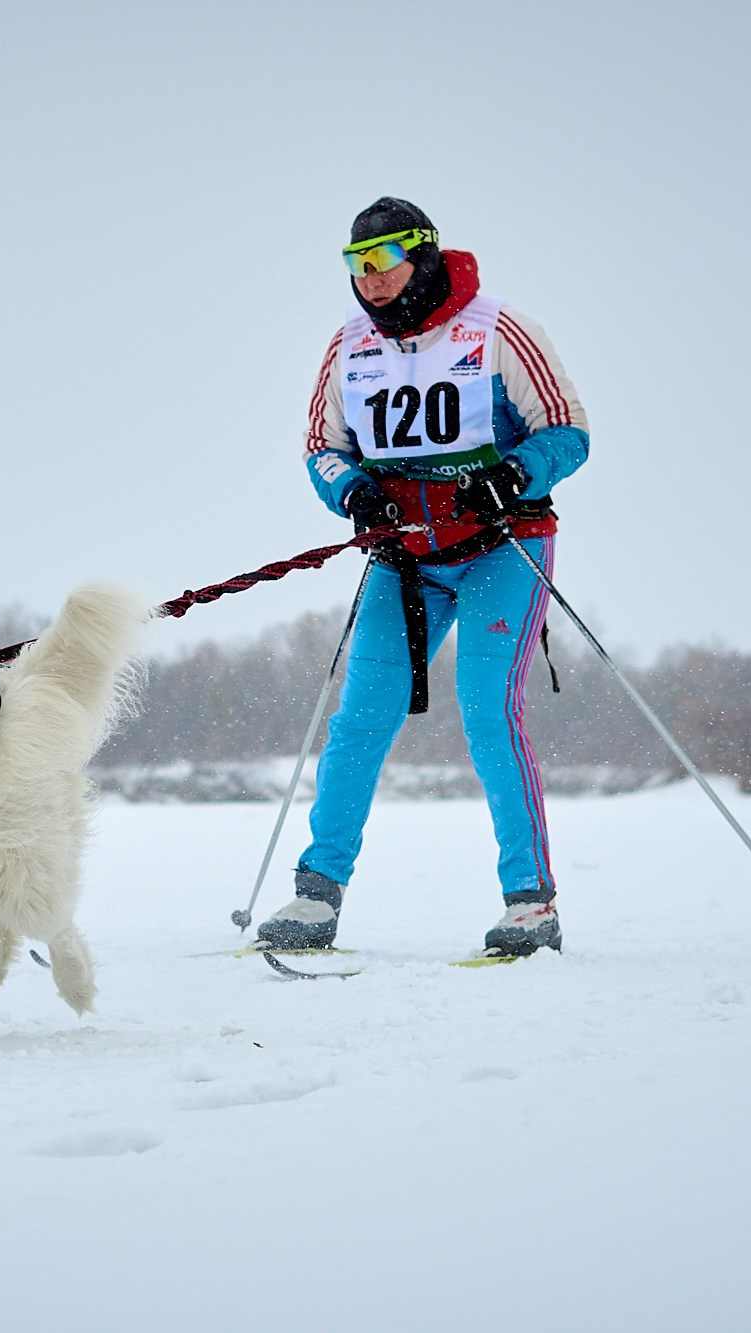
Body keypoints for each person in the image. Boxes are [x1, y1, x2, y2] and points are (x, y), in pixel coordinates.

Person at [255, 197, 589, 957]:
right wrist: (352, 490)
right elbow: (321, 444)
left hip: (504, 546)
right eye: (354, 265)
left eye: (382, 262)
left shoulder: (498, 330)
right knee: (358, 719)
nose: (368, 281)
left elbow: (570, 430)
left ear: (424, 254)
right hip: (405, 557)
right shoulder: (348, 346)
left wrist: (515, 473)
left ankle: (531, 902)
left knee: (488, 710)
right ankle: (316, 894)